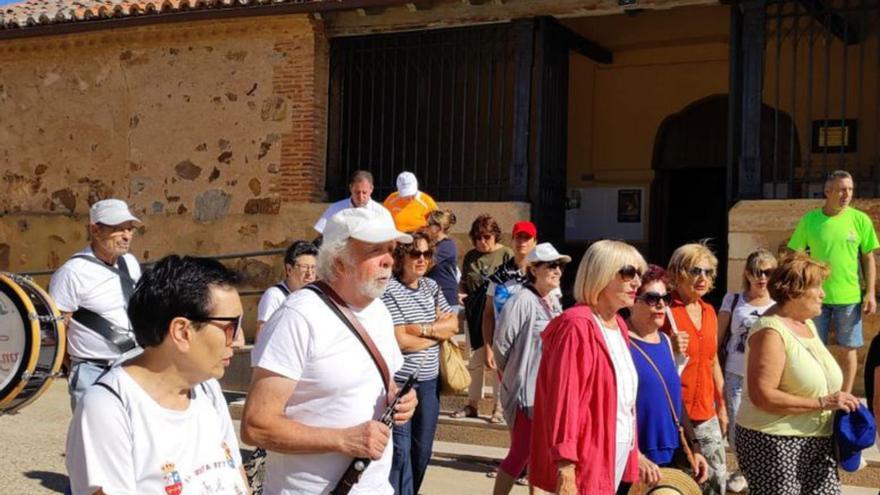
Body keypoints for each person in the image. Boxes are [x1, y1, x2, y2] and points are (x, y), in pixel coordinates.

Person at [241, 208, 418, 495]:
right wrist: (343, 440)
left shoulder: (380, 312)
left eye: (391, 250)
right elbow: (256, 427)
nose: (389, 261)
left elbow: (384, 384)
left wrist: (401, 398)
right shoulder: (297, 317)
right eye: (375, 251)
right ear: (338, 263)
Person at [65, 255, 249, 494]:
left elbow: (235, 470)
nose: (239, 340)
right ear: (182, 332)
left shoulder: (207, 388)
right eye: (231, 326)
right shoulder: (110, 407)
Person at [735, 253, 860, 494]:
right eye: (817, 287)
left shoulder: (807, 324)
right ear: (794, 291)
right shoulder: (771, 331)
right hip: (774, 443)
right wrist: (823, 402)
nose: (823, 294)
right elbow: (763, 396)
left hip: (817, 442)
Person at [530, 239, 646, 494]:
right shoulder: (577, 325)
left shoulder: (618, 325)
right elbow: (564, 399)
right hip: (587, 456)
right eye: (628, 273)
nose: (637, 282)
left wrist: (634, 451)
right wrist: (565, 465)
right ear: (601, 274)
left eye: (639, 274)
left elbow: (625, 400)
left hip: (615, 451)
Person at [787, 170, 879, 394]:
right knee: (811, 347)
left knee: (848, 350)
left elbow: (868, 257)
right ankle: (817, 393)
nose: (847, 194)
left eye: (850, 189)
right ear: (828, 191)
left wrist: (870, 293)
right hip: (813, 298)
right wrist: (799, 287)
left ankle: (844, 398)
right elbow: (793, 255)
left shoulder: (860, 220)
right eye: (841, 189)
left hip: (849, 298)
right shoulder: (811, 220)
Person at [381, 231, 458, 495]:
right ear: (402, 257)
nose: (422, 259)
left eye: (426, 254)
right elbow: (401, 341)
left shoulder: (432, 287)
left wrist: (422, 330)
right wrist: (436, 334)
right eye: (416, 254)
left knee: (423, 449)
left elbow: (453, 324)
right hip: (402, 383)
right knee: (400, 452)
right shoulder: (389, 290)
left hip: (429, 383)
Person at [49, 198, 143, 410]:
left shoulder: (130, 263)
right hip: (92, 370)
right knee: (92, 436)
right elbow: (60, 326)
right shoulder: (71, 273)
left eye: (129, 229)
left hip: (131, 365)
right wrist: (72, 365)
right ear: (95, 230)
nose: (127, 235)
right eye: (118, 229)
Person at [491, 243, 568, 495]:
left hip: (547, 392)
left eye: (560, 265)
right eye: (551, 265)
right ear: (534, 269)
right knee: (520, 453)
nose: (557, 270)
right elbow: (501, 345)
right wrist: (513, 377)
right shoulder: (521, 301)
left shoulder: (555, 301)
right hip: (526, 393)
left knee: (540, 455)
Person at [624, 264, 709, 493]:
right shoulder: (621, 343)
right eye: (652, 298)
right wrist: (635, 455)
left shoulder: (665, 342)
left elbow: (676, 400)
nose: (661, 304)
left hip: (671, 456)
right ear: (634, 300)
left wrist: (695, 447)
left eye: (665, 298)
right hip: (636, 460)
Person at [663, 243, 728, 495]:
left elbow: (712, 361)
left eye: (708, 272)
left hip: (706, 411)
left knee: (715, 481)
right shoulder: (664, 310)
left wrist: (721, 406)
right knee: (680, 483)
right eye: (696, 270)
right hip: (676, 413)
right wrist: (671, 345)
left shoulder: (709, 311)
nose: (703, 278)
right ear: (678, 272)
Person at [716, 249, 776, 494]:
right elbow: (717, 339)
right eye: (756, 272)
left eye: (768, 272)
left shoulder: (779, 304)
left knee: (763, 424)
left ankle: (760, 469)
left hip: (766, 376)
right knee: (735, 426)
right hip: (735, 372)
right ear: (747, 274)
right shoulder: (733, 299)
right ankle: (744, 469)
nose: (762, 277)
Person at [452, 214, 512, 420]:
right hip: (474, 313)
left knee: (496, 361)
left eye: (486, 237)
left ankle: (499, 406)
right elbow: (465, 281)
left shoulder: (506, 254)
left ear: (495, 235)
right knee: (475, 360)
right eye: (477, 237)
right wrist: (461, 292)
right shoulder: (470, 256)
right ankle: (472, 404)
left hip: (498, 314)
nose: (482, 242)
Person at [481, 221, 539, 424]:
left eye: (527, 237)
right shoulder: (498, 276)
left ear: (534, 241)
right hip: (504, 345)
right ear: (512, 240)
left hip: (533, 349)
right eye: (518, 237)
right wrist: (488, 346)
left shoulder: (541, 275)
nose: (522, 242)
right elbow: (488, 313)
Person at [254, 240, 318, 339]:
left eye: (313, 268)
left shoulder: (314, 296)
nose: (310, 274)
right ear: (289, 269)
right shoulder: (274, 296)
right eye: (305, 267)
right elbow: (262, 335)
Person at [314, 170, 393, 234]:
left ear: (371, 189)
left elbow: (390, 239)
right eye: (357, 192)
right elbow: (321, 233)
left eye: (364, 192)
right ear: (351, 188)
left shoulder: (382, 213)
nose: (361, 197)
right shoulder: (335, 209)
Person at [425, 209, 460, 311]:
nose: (426, 228)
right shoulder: (433, 245)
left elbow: (427, 264)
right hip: (433, 297)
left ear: (438, 227)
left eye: (429, 225)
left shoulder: (447, 246)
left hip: (446, 299)